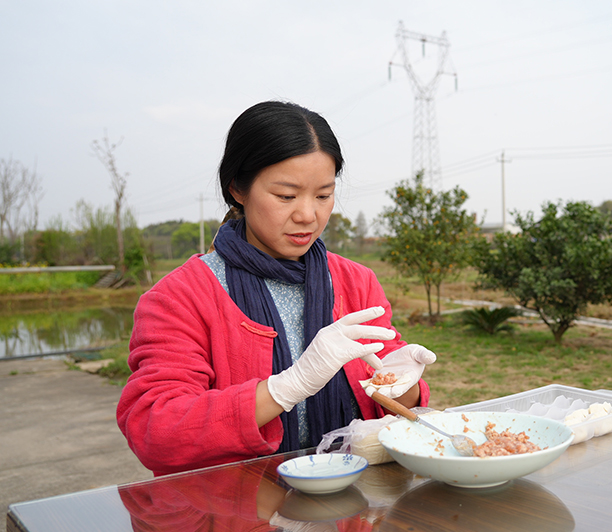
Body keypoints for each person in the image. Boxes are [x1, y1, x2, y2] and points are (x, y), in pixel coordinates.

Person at [117, 101, 435, 476]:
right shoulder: (182, 296)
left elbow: (393, 407)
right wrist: (287, 387)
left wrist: (403, 384)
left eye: (323, 195)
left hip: (353, 511)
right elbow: (157, 432)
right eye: (286, 196)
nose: (307, 215)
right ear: (238, 188)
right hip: (239, 517)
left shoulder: (356, 282)